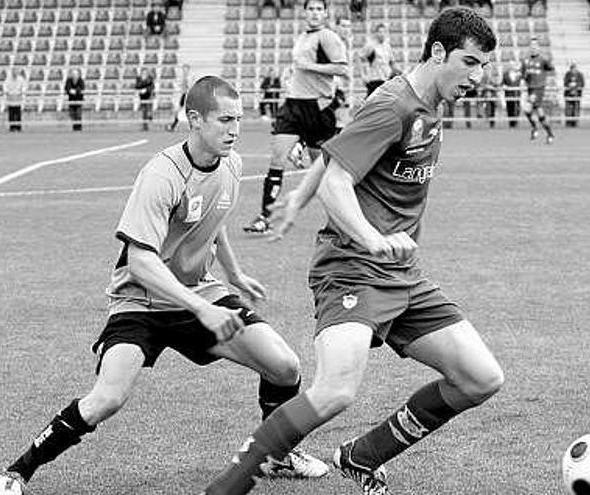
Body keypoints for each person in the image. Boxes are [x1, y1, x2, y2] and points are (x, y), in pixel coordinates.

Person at [204, 7, 503, 495]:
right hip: (352, 269)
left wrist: (294, 200)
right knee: (336, 389)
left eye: (485, 66)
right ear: (438, 52)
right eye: (471, 63)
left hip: (401, 272)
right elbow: (338, 183)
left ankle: (363, 457)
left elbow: (335, 152)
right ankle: (226, 488)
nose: (479, 76)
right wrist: (371, 238)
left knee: (480, 378)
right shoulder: (394, 104)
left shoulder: (431, 101)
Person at [0, 76, 329, 495]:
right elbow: (140, 260)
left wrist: (235, 275)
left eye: (239, 119)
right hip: (139, 300)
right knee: (107, 399)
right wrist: (201, 308)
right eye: (224, 120)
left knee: (285, 366)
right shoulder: (162, 174)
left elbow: (213, 221)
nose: (235, 130)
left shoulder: (233, 164)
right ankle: (17, 472)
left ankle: (277, 455)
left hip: (198, 294)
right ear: (194, 119)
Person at [242, 0, 349, 235]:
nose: (314, 13)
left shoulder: (328, 37)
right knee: (277, 159)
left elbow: (342, 68)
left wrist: (310, 67)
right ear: (304, 13)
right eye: (311, 9)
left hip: (318, 108)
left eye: (319, 9)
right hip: (293, 104)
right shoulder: (302, 37)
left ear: (324, 13)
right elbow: (301, 67)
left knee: (322, 170)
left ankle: (342, 221)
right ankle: (265, 217)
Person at [519, 37, 555, 144]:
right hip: (530, 89)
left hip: (539, 88)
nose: (533, 47)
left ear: (538, 47)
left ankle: (535, 128)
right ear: (529, 47)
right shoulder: (526, 61)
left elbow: (551, 68)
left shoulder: (542, 59)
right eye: (531, 45)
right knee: (539, 114)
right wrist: (522, 77)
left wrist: (548, 62)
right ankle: (550, 134)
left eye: (535, 45)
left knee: (526, 108)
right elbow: (523, 75)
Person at [359, 24, 397, 98]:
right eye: (380, 32)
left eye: (383, 32)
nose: (382, 34)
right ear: (376, 33)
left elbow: (392, 62)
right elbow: (359, 57)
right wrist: (363, 75)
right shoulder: (371, 46)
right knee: (371, 101)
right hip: (374, 79)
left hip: (385, 79)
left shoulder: (387, 47)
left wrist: (400, 72)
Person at [167, 63, 191, 132]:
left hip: (188, 96)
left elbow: (190, 87)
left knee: (189, 112)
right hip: (182, 96)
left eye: (186, 70)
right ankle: (173, 126)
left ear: (188, 70)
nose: (185, 71)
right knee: (177, 111)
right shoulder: (180, 78)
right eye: (184, 70)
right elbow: (178, 86)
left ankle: (191, 127)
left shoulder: (190, 78)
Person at [563, 61, 584, 127]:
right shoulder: (567, 74)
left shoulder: (580, 74)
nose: (573, 70)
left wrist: (576, 86)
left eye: (574, 68)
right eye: (572, 68)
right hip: (568, 93)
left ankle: (575, 121)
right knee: (568, 108)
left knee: (576, 107)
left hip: (577, 94)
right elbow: (565, 83)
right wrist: (570, 86)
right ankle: (568, 121)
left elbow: (582, 83)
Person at [502, 61, 522, 128]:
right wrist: (504, 86)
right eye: (511, 65)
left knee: (517, 108)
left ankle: (516, 122)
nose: (512, 66)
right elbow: (502, 84)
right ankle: (511, 123)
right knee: (509, 108)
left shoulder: (519, 74)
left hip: (516, 94)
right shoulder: (505, 74)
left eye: (513, 65)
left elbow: (522, 83)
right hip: (508, 94)